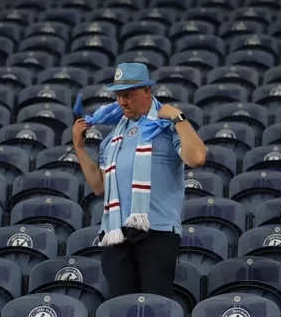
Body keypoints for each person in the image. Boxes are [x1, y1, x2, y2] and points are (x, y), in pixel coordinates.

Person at [71, 62, 207, 299]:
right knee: (121, 311)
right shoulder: (112, 138)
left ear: (147, 92)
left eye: (128, 95)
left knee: (153, 309)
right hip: (116, 234)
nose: (122, 102)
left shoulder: (166, 126)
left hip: (157, 231)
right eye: (119, 96)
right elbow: (99, 187)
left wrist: (177, 116)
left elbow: (197, 158)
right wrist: (80, 149)